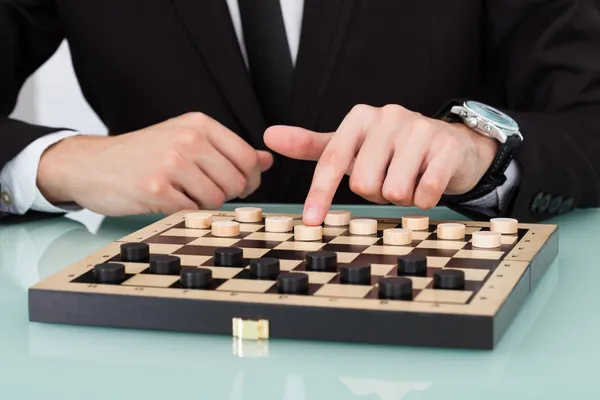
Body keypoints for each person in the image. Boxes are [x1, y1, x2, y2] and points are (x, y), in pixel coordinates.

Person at [1, 0, 600, 225]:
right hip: (150, 325)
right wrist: (60, 162)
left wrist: (480, 151)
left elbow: (588, 113)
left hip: (434, 324)